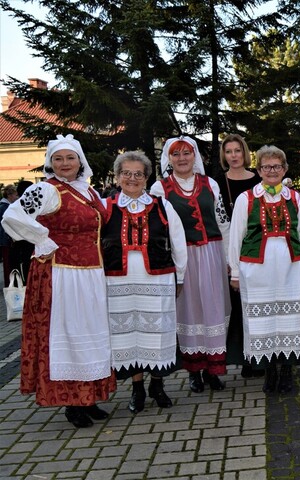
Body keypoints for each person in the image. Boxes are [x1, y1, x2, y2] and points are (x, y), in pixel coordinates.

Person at [1, 134, 115, 428]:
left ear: (80, 162)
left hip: (90, 274)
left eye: (70, 158)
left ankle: (88, 397)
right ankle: (71, 402)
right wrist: (43, 239)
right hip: (61, 274)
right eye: (58, 159)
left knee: (90, 333)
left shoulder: (86, 191)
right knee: (69, 335)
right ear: (50, 163)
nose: (65, 164)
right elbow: (12, 216)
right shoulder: (46, 190)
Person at [102, 151, 187, 414]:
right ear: (117, 177)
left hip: (158, 277)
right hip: (118, 281)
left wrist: (180, 276)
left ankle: (157, 385)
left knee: (158, 332)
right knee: (128, 334)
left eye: (138, 173)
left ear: (147, 177)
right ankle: (137, 388)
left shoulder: (162, 205)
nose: (132, 178)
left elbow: (178, 242)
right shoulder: (106, 207)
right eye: (126, 173)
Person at [228, 145, 300, 394]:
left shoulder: (295, 197)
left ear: (285, 169)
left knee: (290, 319)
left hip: (291, 267)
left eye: (277, 166)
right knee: (261, 321)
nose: (272, 171)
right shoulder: (246, 199)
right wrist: (235, 272)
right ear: (259, 170)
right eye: (266, 166)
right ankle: (269, 372)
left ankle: (287, 370)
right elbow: (236, 237)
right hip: (257, 271)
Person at [150, 136, 231, 393]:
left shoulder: (211, 184)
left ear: (195, 156)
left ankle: (213, 370)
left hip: (212, 253)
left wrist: (230, 260)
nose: (182, 158)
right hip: (181, 258)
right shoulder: (159, 189)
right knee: (189, 311)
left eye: (187, 153)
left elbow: (224, 224)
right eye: (176, 154)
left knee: (214, 309)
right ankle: (194, 371)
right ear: (168, 159)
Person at [215, 133, 262, 379]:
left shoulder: (258, 178)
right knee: (237, 307)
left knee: (257, 304)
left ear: (244, 153)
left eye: (237, 151)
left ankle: (260, 356)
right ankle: (243, 356)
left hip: (258, 248)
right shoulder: (217, 182)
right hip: (231, 248)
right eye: (229, 151)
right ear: (224, 155)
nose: (233, 156)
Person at [0, 184, 19, 286]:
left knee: (8, 262)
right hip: (6, 239)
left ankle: (9, 282)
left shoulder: (4, 206)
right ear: (10, 195)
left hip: (5, 239)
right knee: (7, 263)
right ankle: (9, 284)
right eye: (15, 195)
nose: (16, 197)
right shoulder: (5, 207)